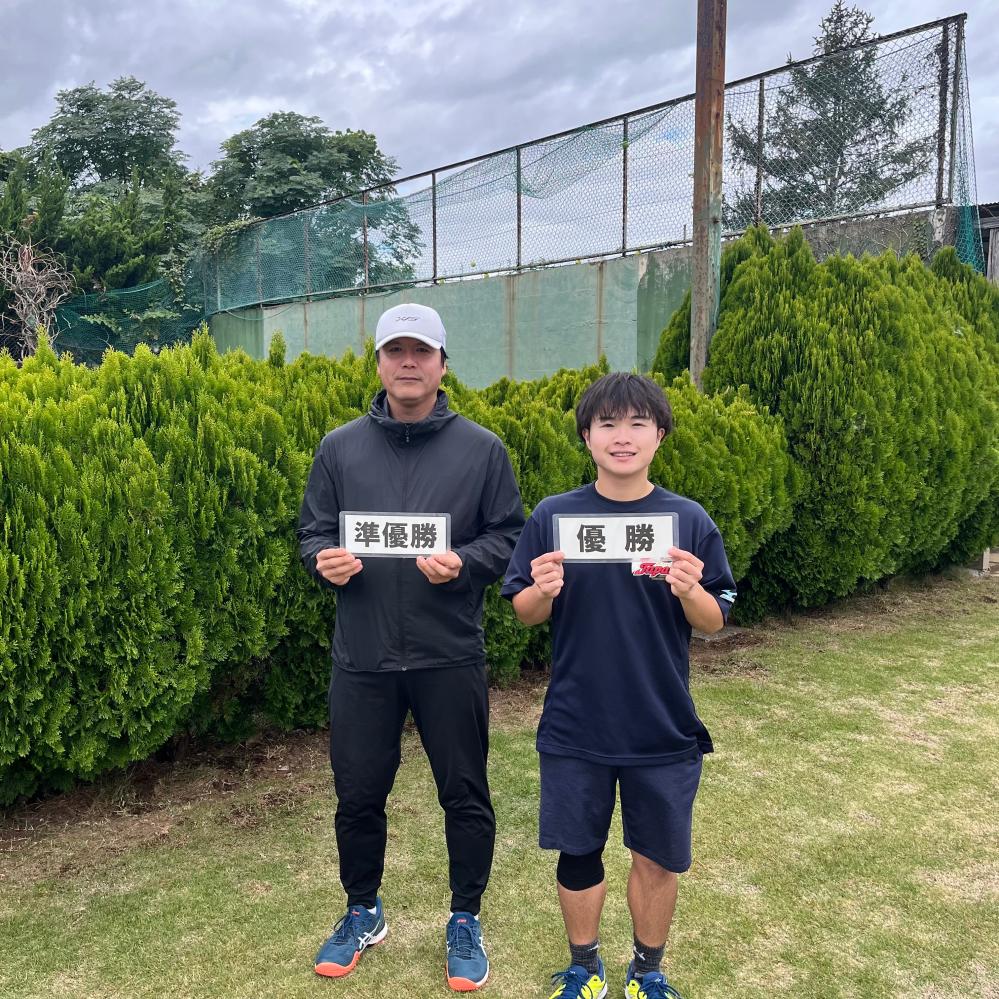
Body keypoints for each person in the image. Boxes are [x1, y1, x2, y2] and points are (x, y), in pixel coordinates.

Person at [297, 302, 525, 991]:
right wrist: (323, 562)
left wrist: (466, 561)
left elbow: (509, 536)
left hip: (447, 654)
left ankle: (465, 917)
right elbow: (313, 534)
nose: (407, 362)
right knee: (358, 794)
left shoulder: (481, 450)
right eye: (394, 350)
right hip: (363, 658)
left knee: (465, 792)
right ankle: (362, 909)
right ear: (377, 363)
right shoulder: (339, 448)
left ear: (442, 364)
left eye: (420, 351)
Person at [501, 372, 737, 999]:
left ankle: (648, 971)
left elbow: (714, 620)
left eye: (638, 423)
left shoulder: (687, 520)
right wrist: (541, 590)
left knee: (656, 857)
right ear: (587, 436)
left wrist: (690, 590)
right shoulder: (555, 516)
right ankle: (585, 967)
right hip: (576, 721)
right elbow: (523, 610)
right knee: (577, 853)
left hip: (661, 723)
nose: (622, 436)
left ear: (660, 435)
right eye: (607, 423)